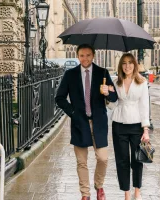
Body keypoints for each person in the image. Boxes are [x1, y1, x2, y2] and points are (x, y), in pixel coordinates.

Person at [55, 44, 118, 200]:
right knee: (81, 161)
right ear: (78, 56)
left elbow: (114, 97)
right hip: (79, 122)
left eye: (88, 55)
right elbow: (59, 98)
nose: (85, 58)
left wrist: (107, 93)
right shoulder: (70, 74)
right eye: (82, 55)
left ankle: (99, 185)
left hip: (99, 122)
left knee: (103, 158)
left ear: (93, 56)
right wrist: (73, 113)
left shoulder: (102, 72)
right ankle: (85, 193)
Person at [108, 53, 150, 200]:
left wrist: (146, 130)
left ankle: (137, 191)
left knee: (137, 160)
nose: (127, 66)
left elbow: (144, 106)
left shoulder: (142, 82)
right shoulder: (115, 82)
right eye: (124, 63)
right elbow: (112, 105)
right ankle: (126, 193)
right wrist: (107, 95)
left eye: (130, 63)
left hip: (136, 125)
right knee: (122, 160)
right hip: (119, 124)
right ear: (121, 65)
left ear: (135, 65)